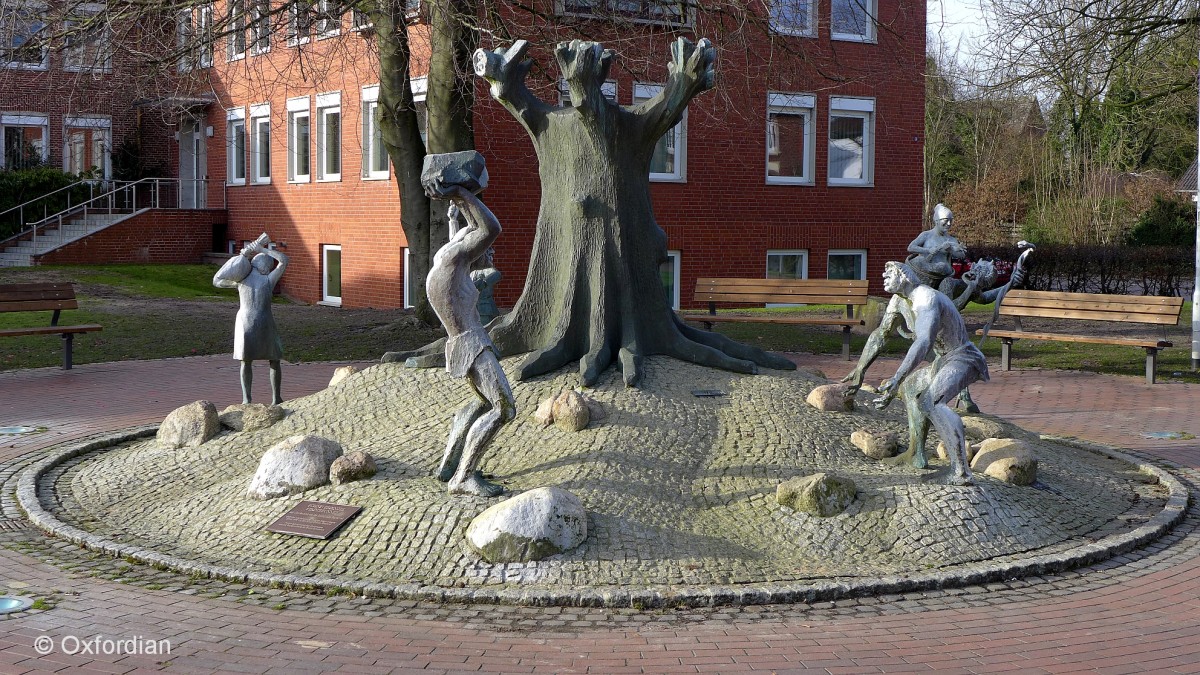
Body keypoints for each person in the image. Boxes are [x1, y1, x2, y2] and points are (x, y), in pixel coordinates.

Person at [425, 182, 515, 497]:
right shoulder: (455, 262)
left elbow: (465, 235)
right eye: (483, 248)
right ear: (468, 245)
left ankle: (451, 459)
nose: (489, 251)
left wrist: (456, 208)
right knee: (504, 409)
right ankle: (463, 476)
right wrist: (463, 193)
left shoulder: (446, 261)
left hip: (463, 343)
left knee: (484, 403)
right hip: (473, 345)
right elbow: (491, 228)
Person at [872, 261, 987, 485]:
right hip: (946, 359)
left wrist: (897, 377)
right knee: (912, 387)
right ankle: (916, 452)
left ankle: (960, 472)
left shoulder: (925, 299)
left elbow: (924, 341)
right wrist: (900, 381)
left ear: (904, 278)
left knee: (931, 402)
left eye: (889, 273)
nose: (884, 277)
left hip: (963, 358)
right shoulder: (911, 299)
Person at [213, 234, 288, 405]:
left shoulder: (243, 280)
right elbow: (284, 260)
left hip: (246, 321)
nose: (269, 267)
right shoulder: (268, 280)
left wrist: (250, 255)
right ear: (262, 265)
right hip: (263, 320)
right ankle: (274, 398)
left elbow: (218, 281)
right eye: (268, 265)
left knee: (246, 361)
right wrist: (260, 250)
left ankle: (248, 399)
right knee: (273, 360)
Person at [906, 203, 967, 287]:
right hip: (923, 272)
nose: (949, 223)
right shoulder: (926, 235)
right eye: (946, 220)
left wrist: (951, 250)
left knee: (942, 266)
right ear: (937, 221)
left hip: (942, 276)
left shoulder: (952, 240)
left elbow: (962, 255)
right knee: (918, 260)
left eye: (951, 220)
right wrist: (928, 250)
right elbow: (911, 247)